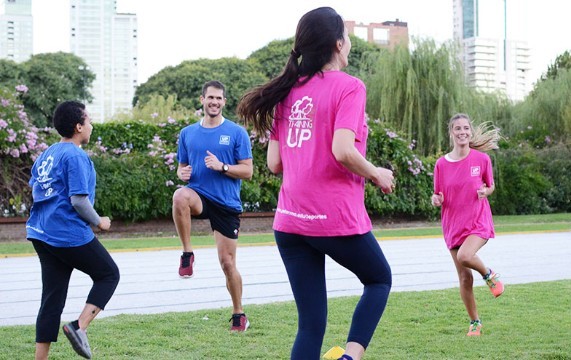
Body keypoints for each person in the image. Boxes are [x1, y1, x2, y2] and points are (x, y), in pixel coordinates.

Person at [236, 7, 394, 360]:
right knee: (379, 280)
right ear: (339, 44)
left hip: (289, 222)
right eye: (348, 37)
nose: (350, 44)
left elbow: (273, 163)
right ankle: (350, 357)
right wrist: (377, 173)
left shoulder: (287, 91)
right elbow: (342, 149)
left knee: (310, 325)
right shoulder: (350, 87)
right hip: (332, 218)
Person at [26, 100, 120, 359]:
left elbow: (40, 190)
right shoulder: (76, 155)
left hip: (40, 233)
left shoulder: (47, 154)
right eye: (88, 121)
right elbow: (78, 200)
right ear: (79, 126)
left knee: (52, 298)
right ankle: (79, 327)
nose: (91, 125)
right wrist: (99, 221)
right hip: (65, 234)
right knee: (109, 274)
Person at [172, 80, 253, 332]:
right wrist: (181, 173)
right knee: (179, 196)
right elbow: (181, 167)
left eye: (219, 98)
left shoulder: (236, 132)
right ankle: (187, 253)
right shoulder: (187, 134)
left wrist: (223, 167)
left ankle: (239, 313)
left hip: (226, 203)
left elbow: (248, 171)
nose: (214, 102)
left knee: (227, 263)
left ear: (224, 102)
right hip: (198, 194)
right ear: (202, 100)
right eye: (210, 98)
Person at [431, 113, 504, 337]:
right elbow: (436, 195)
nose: (462, 132)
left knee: (465, 255)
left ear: (470, 132)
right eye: (457, 129)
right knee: (464, 278)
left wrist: (485, 191)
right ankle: (475, 323)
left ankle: (490, 275)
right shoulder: (441, 164)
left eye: (465, 128)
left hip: (477, 221)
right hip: (453, 224)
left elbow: (490, 186)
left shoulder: (481, 160)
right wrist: (436, 200)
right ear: (451, 133)